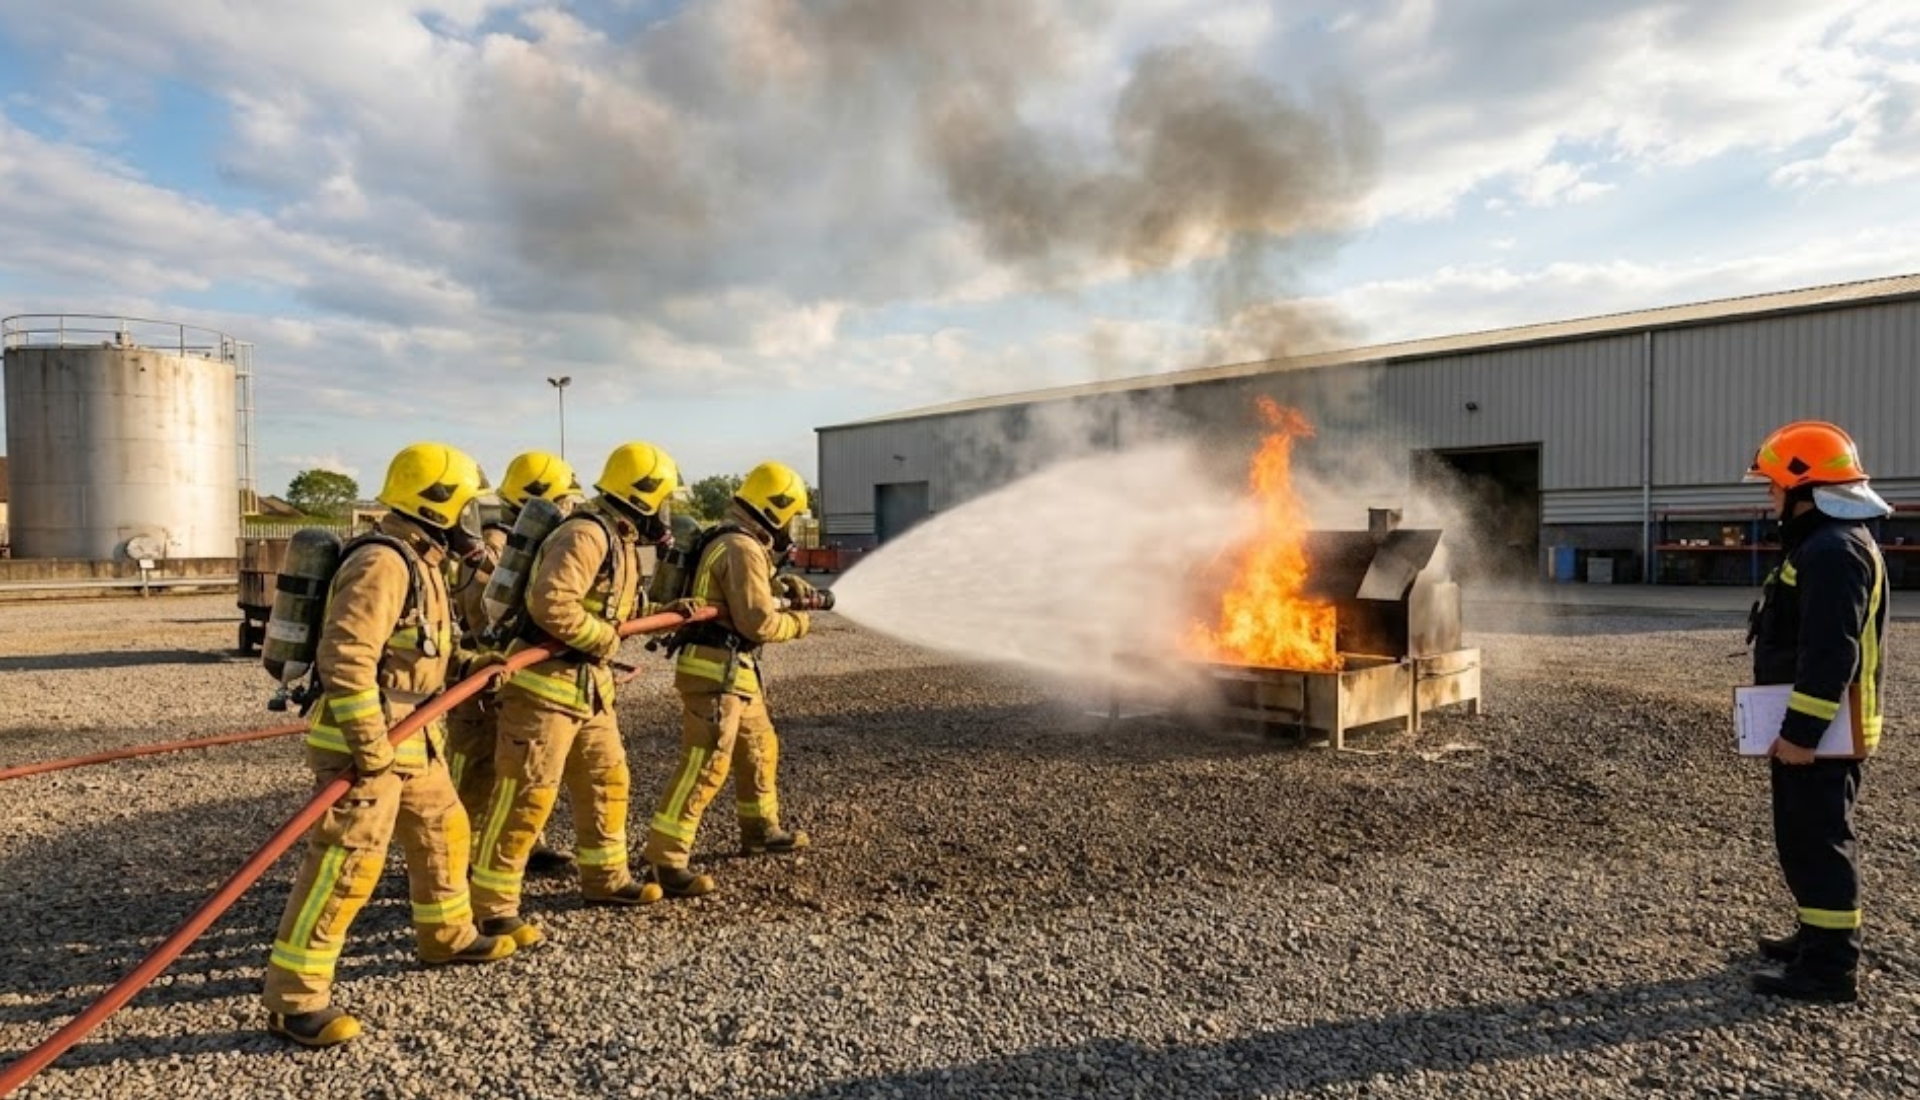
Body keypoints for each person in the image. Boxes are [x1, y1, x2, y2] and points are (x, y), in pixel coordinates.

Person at [262, 442, 516, 1048]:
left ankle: (446, 933)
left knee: (444, 829)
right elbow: (346, 658)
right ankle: (294, 1000)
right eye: (467, 505)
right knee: (345, 867)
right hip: (367, 740)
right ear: (442, 504)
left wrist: (474, 664)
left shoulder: (422, 560)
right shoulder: (384, 562)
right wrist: (370, 746)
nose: (473, 520)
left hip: (412, 737)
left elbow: (421, 651)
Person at [468, 441, 696, 946]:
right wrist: (606, 638)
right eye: (662, 500)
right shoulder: (586, 535)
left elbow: (615, 607)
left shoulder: (618, 539)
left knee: (607, 781)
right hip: (544, 690)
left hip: (588, 689)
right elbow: (552, 604)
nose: (666, 512)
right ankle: (492, 907)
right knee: (525, 798)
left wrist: (671, 608)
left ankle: (606, 879)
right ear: (642, 496)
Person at [1744, 420, 1891, 1004]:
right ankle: (1814, 934)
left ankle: (1831, 968)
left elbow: (1831, 655)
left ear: (1804, 489)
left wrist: (1801, 734)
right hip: (1815, 729)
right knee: (1801, 836)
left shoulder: (1834, 551)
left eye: (1774, 486)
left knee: (1819, 839)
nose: (1769, 496)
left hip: (1824, 734)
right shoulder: (1825, 543)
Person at [643, 460, 818, 898]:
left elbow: (749, 594)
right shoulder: (740, 547)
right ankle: (667, 860)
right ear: (776, 510)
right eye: (791, 516)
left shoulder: (733, 539)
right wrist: (797, 623)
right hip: (716, 672)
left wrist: (783, 586)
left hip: (735, 672)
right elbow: (757, 621)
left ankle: (759, 829)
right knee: (705, 765)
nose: (791, 528)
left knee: (760, 746)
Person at [445, 450, 582, 876]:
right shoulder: (496, 549)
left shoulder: (527, 544)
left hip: (507, 675)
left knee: (516, 769)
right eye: (564, 501)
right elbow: (484, 612)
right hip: (480, 679)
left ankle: (524, 843)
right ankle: (460, 857)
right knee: (475, 768)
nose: (568, 510)